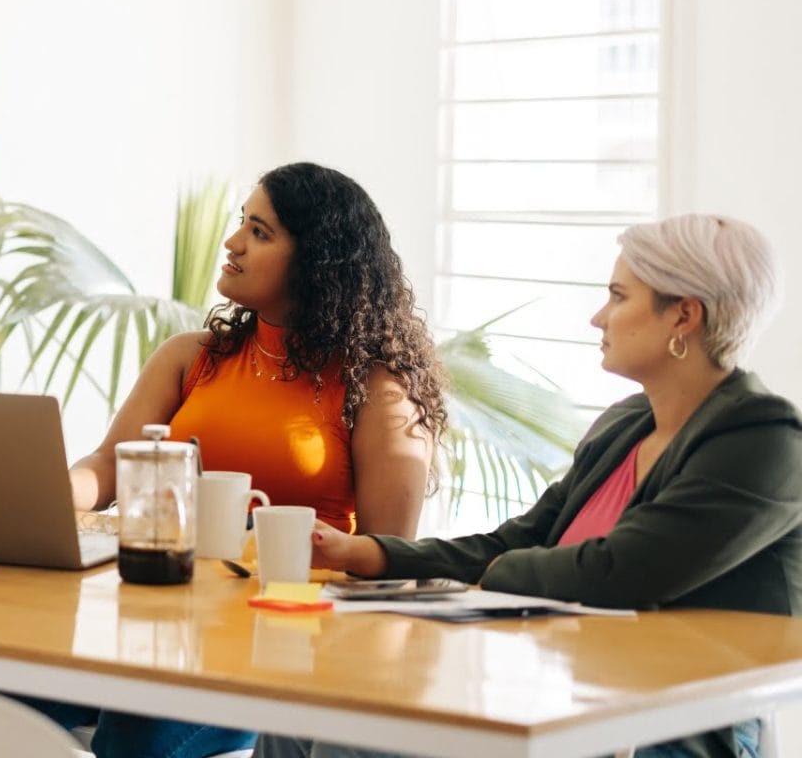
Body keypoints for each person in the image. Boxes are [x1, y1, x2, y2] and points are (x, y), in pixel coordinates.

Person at [282, 213, 797, 758]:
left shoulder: (762, 438)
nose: (599, 318)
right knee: (299, 711)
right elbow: (519, 540)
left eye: (619, 297)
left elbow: (619, 572)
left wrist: (493, 578)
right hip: (564, 697)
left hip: (665, 732)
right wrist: (372, 554)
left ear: (684, 317)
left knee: (357, 739)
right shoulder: (623, 426)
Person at [29, 162, 450, 758]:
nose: (233, 243)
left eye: (260, 231)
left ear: (317, 261)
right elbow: (108, 467)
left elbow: (387, 560)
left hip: (277, 652)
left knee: (132, 741)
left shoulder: (378, 391)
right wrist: (42, 496)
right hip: (150, 630)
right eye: (241, 224)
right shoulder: (192, 357)